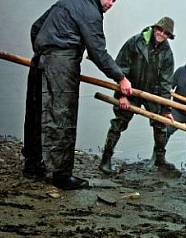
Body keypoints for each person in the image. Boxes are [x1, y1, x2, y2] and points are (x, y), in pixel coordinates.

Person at [23, 0, 132, 190]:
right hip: (62, 65)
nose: (111, 3)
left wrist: (45, 51)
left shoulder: (67, 1)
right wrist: (121, 77)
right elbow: (98, 51)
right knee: (62, 116)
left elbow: (36, 27)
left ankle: (32, 165)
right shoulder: (91, 12)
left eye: (115, 1)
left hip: (40, 61)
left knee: (36, 112)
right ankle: (61, 175)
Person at [98, 17, 176, 174]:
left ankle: (160, 160)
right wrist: (121, 96)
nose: (161, 34)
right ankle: (106, 159)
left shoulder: (167, 53)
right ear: (155, 28)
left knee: (161, 125)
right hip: (130, 90)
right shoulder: (135, 42)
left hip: (152, 93)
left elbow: (166, 83)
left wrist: (167, 108)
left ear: (169, 36)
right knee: (119, 122)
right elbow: (121, 67)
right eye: (160, 30)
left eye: (166, 33)